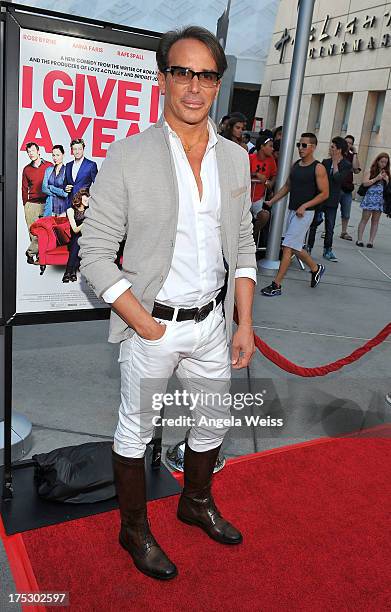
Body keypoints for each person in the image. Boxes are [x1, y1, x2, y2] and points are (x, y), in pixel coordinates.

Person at [79, 26, 256, 581]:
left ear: (218, 84)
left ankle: (194, 501)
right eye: (183, 72)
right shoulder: (129, 156)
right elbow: (95, 255)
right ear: (163, 79)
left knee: (211, 425)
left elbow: (245, 243)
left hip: (213, 325)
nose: (194, 86)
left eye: (206, 75)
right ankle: (133, 529)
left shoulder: (235, 159)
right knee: (136, 431)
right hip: (152, 325)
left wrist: (244, 321)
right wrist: (144, 325)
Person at [261, 133, 328, 297]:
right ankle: (315, 268)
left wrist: (305, 206)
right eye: (299, 144)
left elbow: (325, 193)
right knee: (295, 246)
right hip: (292, 211)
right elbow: (287, 186)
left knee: (287, 247)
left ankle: (276, 284)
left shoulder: (318, 168)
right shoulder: (296, 165)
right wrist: (272, 201)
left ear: (313, 147)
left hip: (305, 214)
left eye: (304, 145)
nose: (300, 148)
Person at [307, 137, 352, 262]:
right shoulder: (325, 162)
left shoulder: (346, 165)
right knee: (314, 223)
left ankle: (327, 250)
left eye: (333, 147)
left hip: (332, 199)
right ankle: (308, 247)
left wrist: (336, 163)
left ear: (339, 150)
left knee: (330, 226)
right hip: (320, 197)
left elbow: (338, 179)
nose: (330, 149)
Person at [21, 142, 52, 264]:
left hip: (46, 203)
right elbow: (24, 188)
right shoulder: (27, 169)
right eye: (28, 152)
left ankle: (31, 252)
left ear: (38, 151)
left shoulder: (49, 166)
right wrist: (25, 204)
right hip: (32, 204)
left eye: (33, 151)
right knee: (33, 231)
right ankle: (38, 256)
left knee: (45, 231)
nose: (31, 154)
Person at [356, 152, 390, 248]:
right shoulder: (371, 171)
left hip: (380, 201)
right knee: (365, 219)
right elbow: (365, 183)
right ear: (378, 161)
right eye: (382, 161)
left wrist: (387, 181)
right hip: (370, 199)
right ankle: (359, 239)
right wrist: (376, 178)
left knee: (375, 221)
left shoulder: (387, 174)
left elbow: (388, 189)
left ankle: (371, 241)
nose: (383, 164)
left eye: (385, 162)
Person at [249, 133, 277, 245]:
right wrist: (256, 174)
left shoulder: (271, 160)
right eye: (270, 146)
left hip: (258, 198)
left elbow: (274, 174)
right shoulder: (250, 158)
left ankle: (253, 236)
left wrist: (271, 183)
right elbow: (242, 172)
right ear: (262, 146)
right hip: (245, 197)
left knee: (265, 215)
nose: (272, 148)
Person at [62, 189, 89, 283]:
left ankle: (70, 272)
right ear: (80, 197)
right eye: (86, 197)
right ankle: (70, 271)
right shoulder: (70, 210)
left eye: (89, 199)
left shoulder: (89, 211)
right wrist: (87, 221)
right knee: (77, 241)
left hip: (87, 238)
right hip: (75, 238)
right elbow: (75, 230)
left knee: (81, 242)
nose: (88, 200)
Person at [339, 135, 361, 240]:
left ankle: (344, 231)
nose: (348, 144)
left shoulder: (352, 156)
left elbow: (356, 170)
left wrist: (355, 153)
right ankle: (326, 231)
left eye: (350, 143)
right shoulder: (338, 154)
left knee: (346, 213)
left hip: (347, 188)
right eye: (346, 142)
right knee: (331, 210)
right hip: (337, 187)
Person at [64, 138, 98, 206]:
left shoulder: (91, 165)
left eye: (79, 149)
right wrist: (65, 187)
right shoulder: (68, 165)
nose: (77, 152)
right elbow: (65, 183)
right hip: (70, 203)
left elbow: (97, 186)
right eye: (75, 149)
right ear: (72, 151)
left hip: (84, 204)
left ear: (83, 149)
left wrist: (89, 199)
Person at [42, 145, 68, 217]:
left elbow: (65, 194)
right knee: (47, 227)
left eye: (57, 155)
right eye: (53, 155)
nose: (55, 158)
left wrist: (51, 187)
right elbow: (44, 188)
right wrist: (59, 192)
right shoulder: (48, 170)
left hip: (63, 210)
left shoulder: (67, 170)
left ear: (63, 154)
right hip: (50, 208)